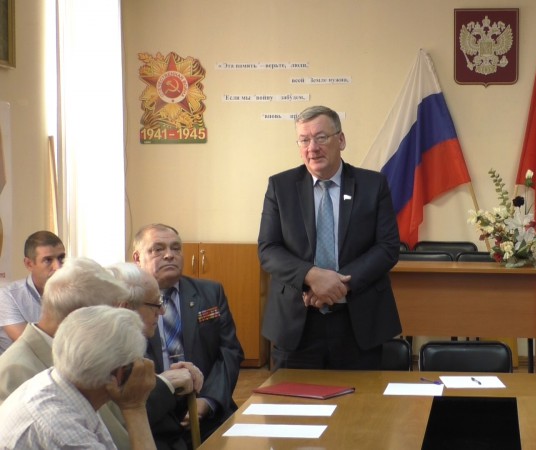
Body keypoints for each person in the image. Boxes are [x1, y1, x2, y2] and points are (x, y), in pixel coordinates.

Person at [257, 105, 401, 370]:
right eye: (304, 140)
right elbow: (268, 249)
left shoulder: (373, 185)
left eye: (321, 137)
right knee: (291, 397)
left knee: (360, 398)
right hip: (296, 321)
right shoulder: (280, 186)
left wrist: (336, 285)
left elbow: (387, 247)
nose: (312, 148)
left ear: (341, 140)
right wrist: (312, 276)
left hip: (358, 322)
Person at [0, 256, 134, 449]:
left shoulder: (86, 357)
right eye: (110, 316)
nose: (115, 327)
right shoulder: (13, 370)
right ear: (78, 319)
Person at [132, 223, 243, 440]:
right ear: (137, 258)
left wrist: (209, 401)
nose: (169, 255)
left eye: (176, 248)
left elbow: (229, 352)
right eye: (158, 249)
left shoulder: (210, 292)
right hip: (153, 417)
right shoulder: (127, 302)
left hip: (210, 411)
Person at [0, 305, 157, 449]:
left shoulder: (53, 382)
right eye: (138, 363)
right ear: (121, 373)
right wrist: (135, 407)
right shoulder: (63, 432)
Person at [108, 262, 204, 450]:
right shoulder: (105, 355)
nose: (162, 311)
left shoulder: (132, 343)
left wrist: (183, 382)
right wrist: (167, 383)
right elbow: (123, 416)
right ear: (126, 308)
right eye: (156, 304)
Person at [0, 230, 65, 354]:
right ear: (29, 264)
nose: (58, 267)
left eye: (61, 258)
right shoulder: (7, 296)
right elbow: (33, 346)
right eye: (48, 260)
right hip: (23, 366)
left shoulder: (71, 291)